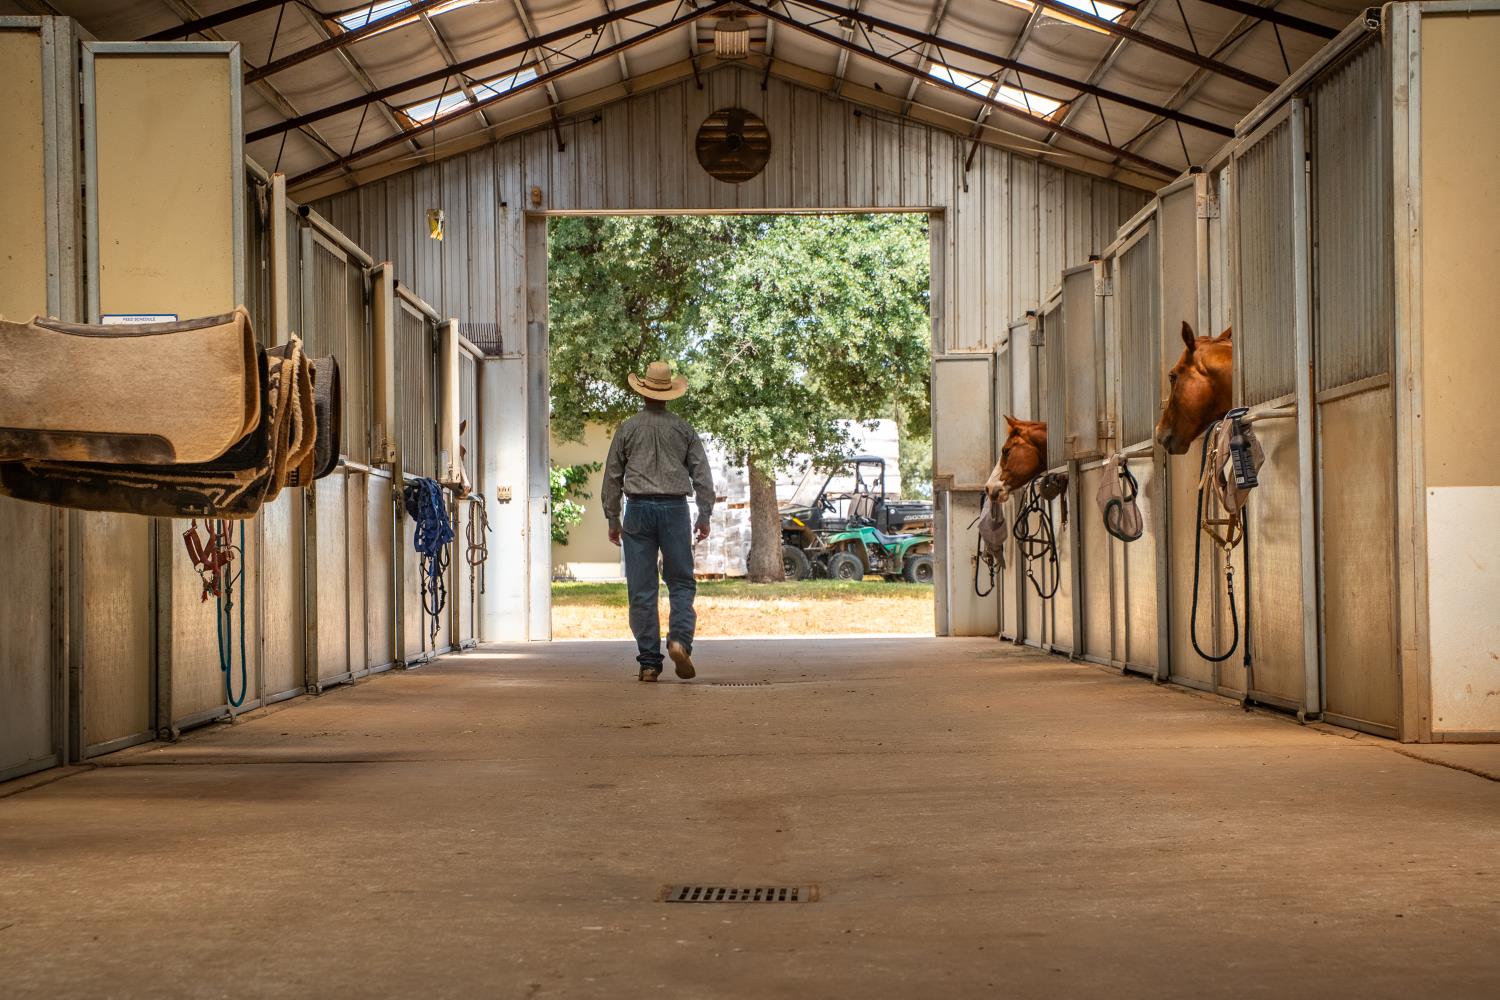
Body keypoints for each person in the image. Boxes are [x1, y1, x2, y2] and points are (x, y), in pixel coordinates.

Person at [601, 361, 716, 682]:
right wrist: (704, 514)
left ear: (643, 392)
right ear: (668, 395)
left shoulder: (628, 429)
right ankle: (679, 640)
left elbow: (612, 476)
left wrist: (613, 518)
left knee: (642, 588)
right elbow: (702, 475)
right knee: (680, 581)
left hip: (637, 510)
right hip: (675, 509)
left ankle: (650, 663)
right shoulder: (683, 430)